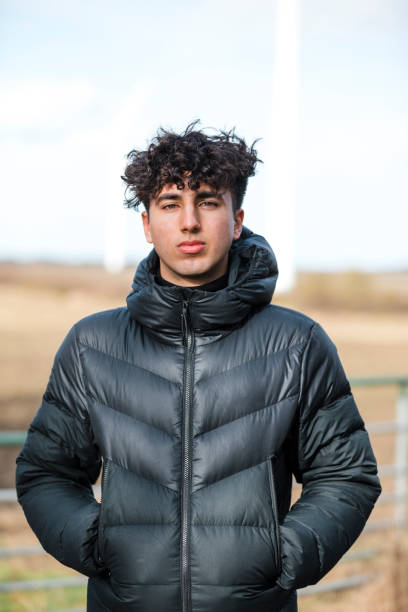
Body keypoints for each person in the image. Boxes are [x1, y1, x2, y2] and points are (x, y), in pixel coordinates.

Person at [16, 122, 381, 612]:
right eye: (170, 203)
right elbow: (46, 473)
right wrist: (96, 543)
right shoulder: (92, 344)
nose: (189, 221)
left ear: (236, 220)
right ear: (147, 224)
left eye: (208, 201)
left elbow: (346, 474)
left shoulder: (297, 343)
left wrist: (282, 558)